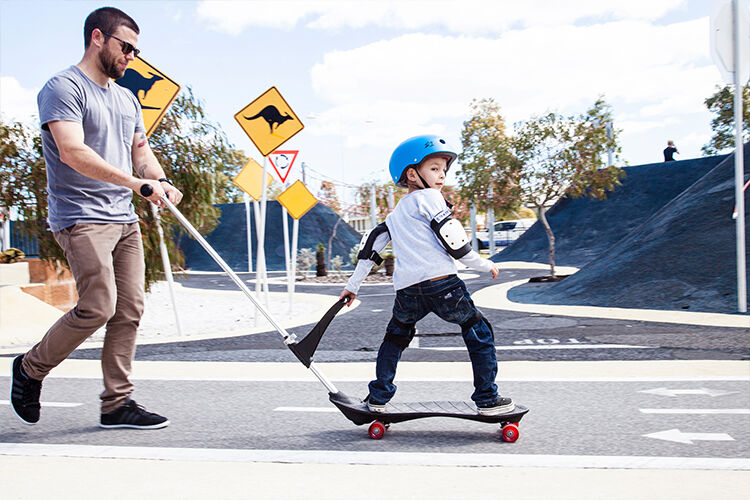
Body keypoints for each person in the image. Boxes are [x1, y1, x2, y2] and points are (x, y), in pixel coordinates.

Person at [10, 7, 182, 429]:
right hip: (81, 217)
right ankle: (30, 369)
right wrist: (134, 185)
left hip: (123, 220)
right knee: (98, 306)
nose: (131, 58)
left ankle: (116, 403)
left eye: (136, 51)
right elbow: (72, 151)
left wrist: (160, 181)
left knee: (130, 308)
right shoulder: (63, 87)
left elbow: (140, 151)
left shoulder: (126, 98)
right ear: (98, 38)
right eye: (126, 48)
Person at [339, 135, 514, 416]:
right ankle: (487, 399)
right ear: (411, 173)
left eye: (444, 169)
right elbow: (453, 240)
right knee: (479, 332)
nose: (442, 174)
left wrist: (352, 287)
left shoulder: (395, 216)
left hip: (408, 292)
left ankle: (378, 398)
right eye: (434, 168)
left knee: (395, 339)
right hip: (443, 285)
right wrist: (483, 265)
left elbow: (370, 248)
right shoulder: (431, 198)